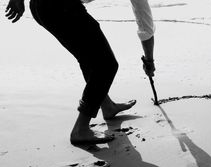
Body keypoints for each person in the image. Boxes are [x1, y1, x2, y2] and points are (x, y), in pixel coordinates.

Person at [5, 0, 155, 145]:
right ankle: (80, 129)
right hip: (56, 6)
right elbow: (145, 25)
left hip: (47, 7)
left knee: (89, 58)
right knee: (106, 65)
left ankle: (107, 106)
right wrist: (149, 60)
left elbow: (144, 24)